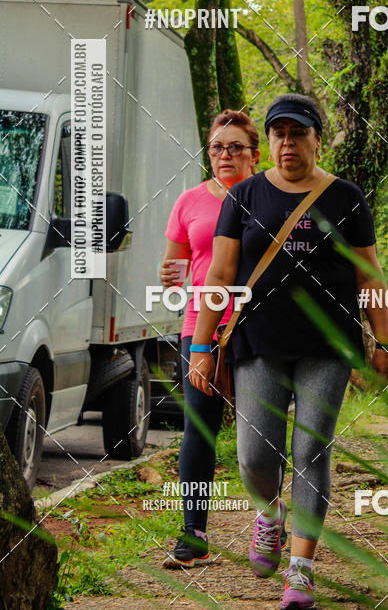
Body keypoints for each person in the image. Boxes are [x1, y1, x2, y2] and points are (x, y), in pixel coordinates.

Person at [188, 94, 388, 610]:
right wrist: (201, 346)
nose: (286, 142)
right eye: (278, 133)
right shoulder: (245, 197)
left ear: (316, 139)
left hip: (328, 345)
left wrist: (384, 341)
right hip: (258, 344)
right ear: (270, 141)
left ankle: (300, 572)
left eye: (297, 133)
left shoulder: (344, 196)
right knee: (256, 456)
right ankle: (269, 512)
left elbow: (369, 274)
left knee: (310, 451)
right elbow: (219, 274)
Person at [160, 109, 265, 569]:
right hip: (199, 329)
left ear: (254, 155)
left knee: (261, 434)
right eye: (217, 147)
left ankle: (269, 520)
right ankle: (194, 533)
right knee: (198, 431)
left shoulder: (271, 197)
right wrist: (170, 275)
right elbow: (176, 269)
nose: (225, 155)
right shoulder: (188, 202)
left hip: (258, 329)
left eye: (235, 147)